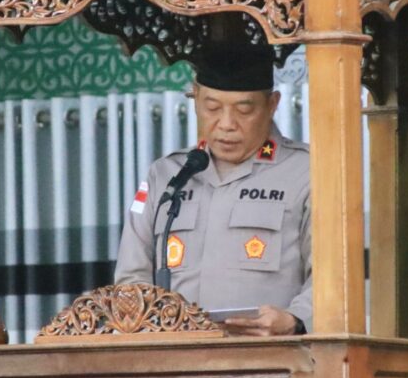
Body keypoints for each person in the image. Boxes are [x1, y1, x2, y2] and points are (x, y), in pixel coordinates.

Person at [114, 45, 310, 336]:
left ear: (272, 105)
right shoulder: (167, 175)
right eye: (213, 108)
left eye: (244, 110)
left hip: (273, 355)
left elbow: (331, 276)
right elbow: (131, 277)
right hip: (178, 357)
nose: (227, 124)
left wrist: (295, 319)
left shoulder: (306, 172)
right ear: (195, 99)